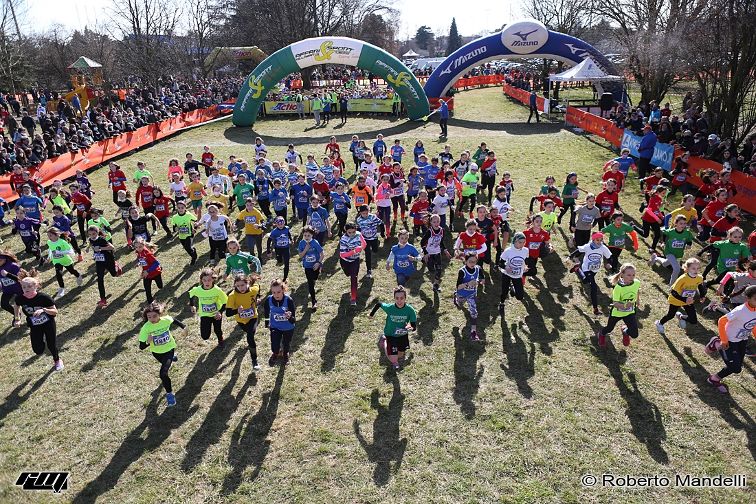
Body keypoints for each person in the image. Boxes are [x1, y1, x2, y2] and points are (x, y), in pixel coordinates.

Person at [704, 285, 756, 394]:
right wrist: (723, 340)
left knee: (737, 367)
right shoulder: (740, 310)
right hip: (730, 340)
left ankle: (714, 378)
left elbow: (753, 324)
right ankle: (717, 343)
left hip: (742, 340)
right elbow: (722, 321)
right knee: (735, 368)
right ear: (748, 298)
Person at [138, 302, 187, 407]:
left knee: (163, 374)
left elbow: (174, 320)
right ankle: (171, 359)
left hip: (169, 349)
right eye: (149, 317)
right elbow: (141, 347)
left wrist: (184, 327)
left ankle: (169, 394)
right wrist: (148, 341)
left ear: (159, 314)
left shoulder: (165, 320)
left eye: (154, 316)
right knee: (164, 366)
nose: (152, 318)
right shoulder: (146, 328)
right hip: (157, 353)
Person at [13, 275, 63, 371]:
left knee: (51, 345)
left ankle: (57, 360)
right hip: (34, 325)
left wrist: (43, 310)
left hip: (48, 323)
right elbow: (16, 305)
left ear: (35, 286)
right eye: (24, 287)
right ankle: (42, 340)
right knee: (38, 350)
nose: (26, 289)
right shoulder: (20, 298)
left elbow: (55, 311)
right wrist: (17, 318)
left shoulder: (44, 297)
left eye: (29, 286)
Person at [369, 286, 417, 371]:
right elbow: (379, 304)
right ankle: (385, 342)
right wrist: (371, 314)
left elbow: (414, 326)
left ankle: (385, 342)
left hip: (402, 335)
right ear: (394, 298)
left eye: (401, 298)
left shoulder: (410, 310)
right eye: (397, 298)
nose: (399, 301)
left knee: (401, 355)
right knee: (393, 358)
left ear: (405, 298)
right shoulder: (390, 308)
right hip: (390, 334)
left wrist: (410, 327)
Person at [596, 263, 640, 348]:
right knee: (609, 328)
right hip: (617, 313)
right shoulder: (618, 288)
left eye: (633, 275)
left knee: (634, 334)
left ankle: (625, 331)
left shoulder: (637, 282)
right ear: (622, 275)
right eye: (629, 275)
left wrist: (637, 300)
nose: (632, 277)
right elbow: (615, 304)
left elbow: (637, 290)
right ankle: (601, 334)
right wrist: (624, 306)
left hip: (629, 312)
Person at [655, 257, 702, 335]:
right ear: (687, 269)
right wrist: (684, 299)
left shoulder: (699, 277)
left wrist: (702, 295)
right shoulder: (682, 279)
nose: (696, 270)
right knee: (670, 315)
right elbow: (673, 292)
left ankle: (681, 317)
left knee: (693, 320)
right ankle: (659, 323)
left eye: (698, 268)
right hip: (676, 300)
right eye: (693, 268)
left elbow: (700, 285)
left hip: (688, 300)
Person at [569, 232, 612, 315]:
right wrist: (570, 256)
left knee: (585, 281)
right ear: (593, 239)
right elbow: (579, 250)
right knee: (593, 286)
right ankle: (595, 309)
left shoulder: (603, 248)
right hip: (586, 268)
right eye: (597, 240)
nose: (599, 242)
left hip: (595, 269)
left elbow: (609, 256)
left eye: (601, 240)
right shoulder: (588, 246)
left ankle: (577, 269)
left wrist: (608, 263)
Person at [226, 273, 261, 370]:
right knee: (248, 332)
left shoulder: (253, 289)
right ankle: (250, 346)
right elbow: (228, 313)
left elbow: (258, 287)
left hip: (253, 317)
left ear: (248, 283)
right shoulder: (232, 295)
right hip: (241, 321)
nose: (240, 288)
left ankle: (254, 360)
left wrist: (257, 298)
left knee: (250, 336)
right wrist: (237, 310)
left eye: (242, 285)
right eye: (237, 286)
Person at [189, 268, 228, 346]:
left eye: (209, 280)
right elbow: (191, 294)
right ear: (201, 280)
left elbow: (225, 302)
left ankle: (220, 339)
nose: (207, 282)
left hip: (216, 314)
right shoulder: (198, 290)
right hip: (205, 314)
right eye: (204, 280)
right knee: (205, 336)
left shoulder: (217, 290)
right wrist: (192, 305)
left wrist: (220, 312)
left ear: (213, 279)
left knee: (218, 330)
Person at [262, 278, 296, 366]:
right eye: (273, 292)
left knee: (286, 343)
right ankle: (275, 353)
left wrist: (289, 317)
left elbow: (293, 320)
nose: (276, 294)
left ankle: (285, 354)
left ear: (283, 290)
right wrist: (267, 322)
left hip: (288, 327)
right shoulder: (269, 300)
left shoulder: (288, 300)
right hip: (275, 326)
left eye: (278, 292)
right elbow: (266, 310)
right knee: (275, 343)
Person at [651, 215, 694, 285]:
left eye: (684, 223)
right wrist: (663, 242)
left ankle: (655, 258)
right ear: (675, 223)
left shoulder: (687, 233)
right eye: (681, 223)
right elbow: (664, 234)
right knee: (677, 269)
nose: (683, 225)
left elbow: (689, 240)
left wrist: (689, 244)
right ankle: (672, 286)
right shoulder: (671, 232)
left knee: (665, 264)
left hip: (678, 254)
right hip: (669, 252)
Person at [87, 225, 122, 308]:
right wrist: (88, 248)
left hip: (108, 260)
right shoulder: (90, 239)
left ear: (97, 232)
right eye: (90, 234)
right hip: (99, 262)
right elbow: (91, 243)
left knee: (114, 274)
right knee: (100, 279)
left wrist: (100, 248)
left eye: (94, 234)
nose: (92, 236)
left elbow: (112, 247)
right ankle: (103, 299)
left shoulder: (102, 239)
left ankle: (116, 265)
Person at [454, 252, 485, 341]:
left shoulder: (478, 268)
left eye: (474, 262)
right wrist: (468, 284)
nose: (472, 264)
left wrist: (479, 282)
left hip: (472, 294)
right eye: (470, 261)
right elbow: (458, 286)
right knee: (460, 305)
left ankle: (473, 332)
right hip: (462, 294)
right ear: (465, 261)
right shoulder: (462, 271)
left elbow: (482, 280)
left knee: (474, 312)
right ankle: (456, 298)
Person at [46, 227, 83, 300]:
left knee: (72, 271)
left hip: (66, 260)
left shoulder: (62, 242)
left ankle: (78, 275)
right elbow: (50, 249)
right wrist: (49, 257)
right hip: (57, 261)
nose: (49, 237)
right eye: (48, 236)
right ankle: (61, 288)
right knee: (58, 274)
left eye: (50, 235)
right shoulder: (49, 242)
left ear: (57, 235)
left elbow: (71, 251)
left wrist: (61, 252)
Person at [498, 232, 529, 315]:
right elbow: (500, 263)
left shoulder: (526, 250)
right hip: (507, 274)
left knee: (520, 297)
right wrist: (506, 267)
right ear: (514, 241)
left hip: (518, 275)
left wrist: (525, 267)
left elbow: (525, 260)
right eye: (520, 242)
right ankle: (501, 303)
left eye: (523, 242)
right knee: (504, 292)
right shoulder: (508, 251)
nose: (522, 244)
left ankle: (512, 288)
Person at [297, 226, 324, 310]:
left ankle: (319, 269)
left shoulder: (315, 242)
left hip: (315, 265)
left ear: (312, 235)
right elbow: (300, 255)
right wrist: (306, 249)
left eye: (308, 235)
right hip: (307, 266)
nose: (307, 237)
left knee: (315, 277)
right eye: (305, 235)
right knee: (310, 283)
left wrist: (318, 263)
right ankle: (313, 301)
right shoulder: (301, 243)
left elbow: (322, 254)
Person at [339, 223, 366, 306]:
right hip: (345, 261)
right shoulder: (343, 239)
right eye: (349, 232)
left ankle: (353, 298)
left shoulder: (358, 234)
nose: (352, 234)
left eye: (353, 232)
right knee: (348, 274)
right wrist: (354, 251)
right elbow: (342, 254)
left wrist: (361, 248)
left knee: (354, 278)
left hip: (355, 260)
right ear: (346, 231)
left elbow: (364, 244)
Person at [355, 205, 384, 278]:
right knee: (367, 254)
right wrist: (359, 238)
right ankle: (369, 270)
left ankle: (376, 245)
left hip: (374, 238)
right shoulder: (358, 220)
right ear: (360, 213)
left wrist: (382, 234)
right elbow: (358, 229)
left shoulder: (373, 217)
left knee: (375, 250)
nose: (365, 215)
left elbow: (381, 223)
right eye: (363, 213)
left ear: (369, 211)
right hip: (365, 240)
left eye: (366, 213)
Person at [0, 251, 27, 326]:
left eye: (0, 260)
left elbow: (20, 279)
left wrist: (7, 274)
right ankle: (17, 315)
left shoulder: (13, 266)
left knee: (25, 305)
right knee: (4, 304)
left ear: (5, 258)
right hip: (7, 290)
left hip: (19, 289)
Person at [134, 237, 163, 304]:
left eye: (140, 247)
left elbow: (156, 263)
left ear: (144, 245)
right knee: (147, 289)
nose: (138, 249)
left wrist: (148, 271)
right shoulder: (138, 252)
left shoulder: (148, 253)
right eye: (136, 247)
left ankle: (160, 268)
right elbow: (141, 259)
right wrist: (138, 263)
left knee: (160, 286)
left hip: (155, 273)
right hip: (146, 275)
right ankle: (150, 302)